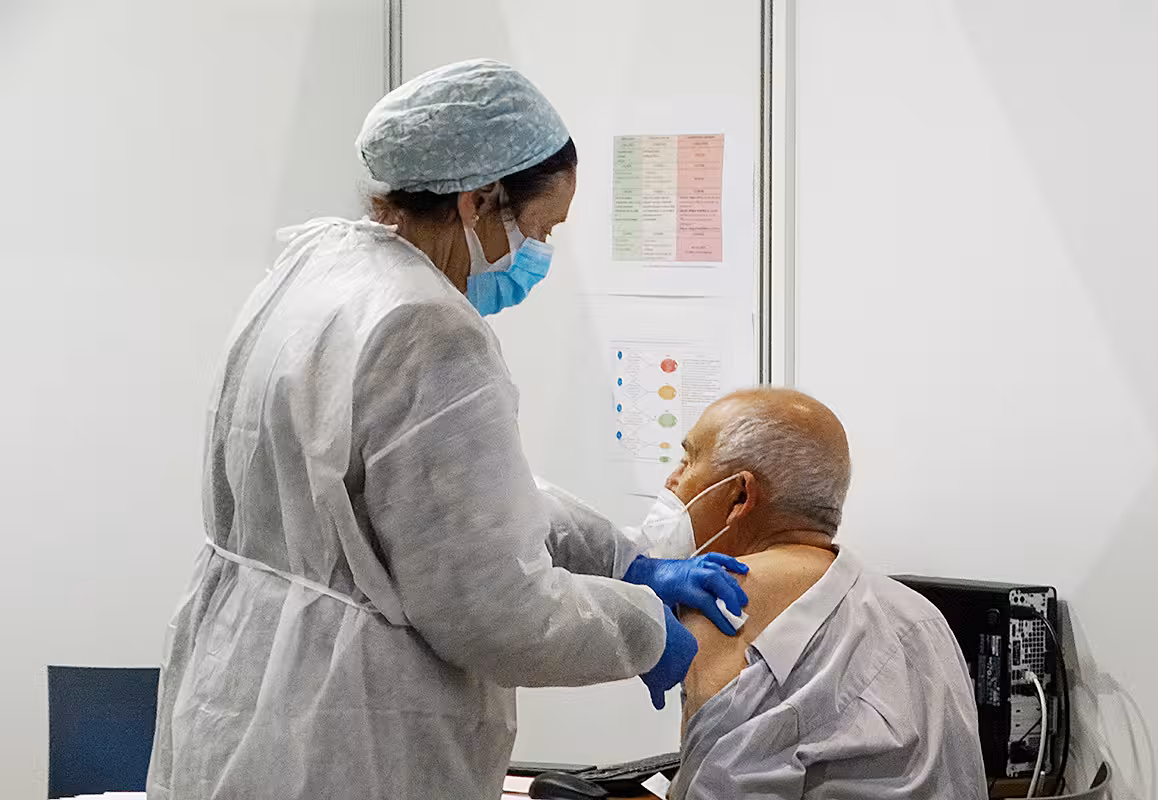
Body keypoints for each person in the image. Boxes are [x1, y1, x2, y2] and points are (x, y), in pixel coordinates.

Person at [146, 59, 746, 800]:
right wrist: (646, 628)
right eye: (538, 227)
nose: (539, 252)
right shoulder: (426, 328)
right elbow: (493, 609)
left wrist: (624, 560)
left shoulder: (320, 271)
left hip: (245, 693)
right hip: (350, 733)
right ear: (480, 200)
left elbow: (451, 495)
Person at [663, 388, 989, 799]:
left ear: (740, 495)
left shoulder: (723, 598)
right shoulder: (919, 615)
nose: (672, 480)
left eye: (688, 459)